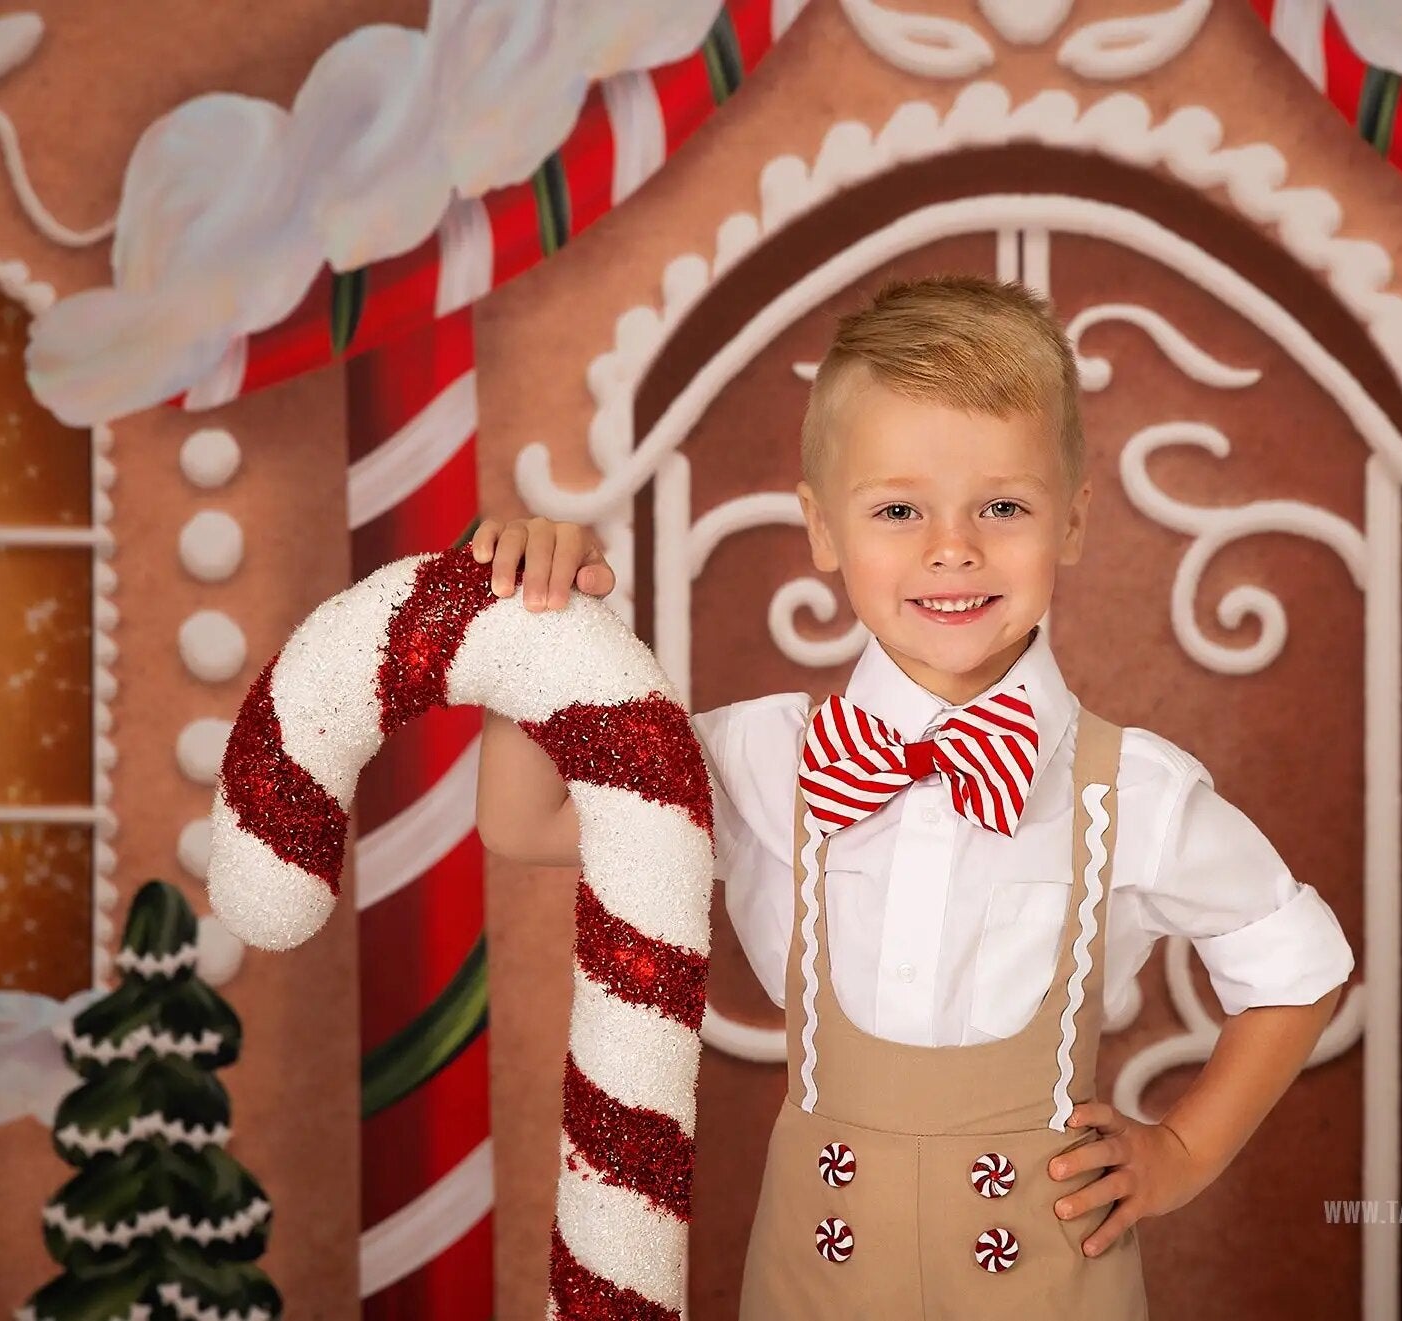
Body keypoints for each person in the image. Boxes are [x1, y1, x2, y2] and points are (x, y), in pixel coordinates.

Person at [472, 275, 1355, 1318]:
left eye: (1002, 506)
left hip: (1048, 1288)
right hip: (817, 1277)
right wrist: (529, 625)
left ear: (1070, 522)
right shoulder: (760, 757)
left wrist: (1178, 1151)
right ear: (820, 531)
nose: (952, 546)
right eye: (898, 508)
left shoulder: (1136, 790)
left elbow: (1299, 964)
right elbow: (525, 822)